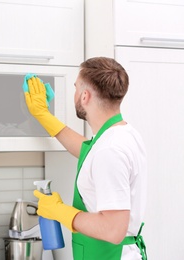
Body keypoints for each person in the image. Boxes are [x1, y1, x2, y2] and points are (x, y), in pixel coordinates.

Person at [23, 57, 147, 260]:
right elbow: (89, 153)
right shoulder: (122, 134)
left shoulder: (110, 150)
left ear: (84, 96)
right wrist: (43, 115)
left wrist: (60, 211)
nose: (75, 94)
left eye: (75, 88)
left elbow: (113, 229)